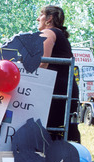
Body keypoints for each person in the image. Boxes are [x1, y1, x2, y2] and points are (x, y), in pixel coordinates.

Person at [37, 5, 81, 143]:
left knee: (49, 129)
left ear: (49, 18)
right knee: (64, 129)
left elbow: (42, 63)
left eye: (41, 15)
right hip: (66, 89)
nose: (38, 18)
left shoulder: (48, 33)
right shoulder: (60, 35)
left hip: (57, 91)